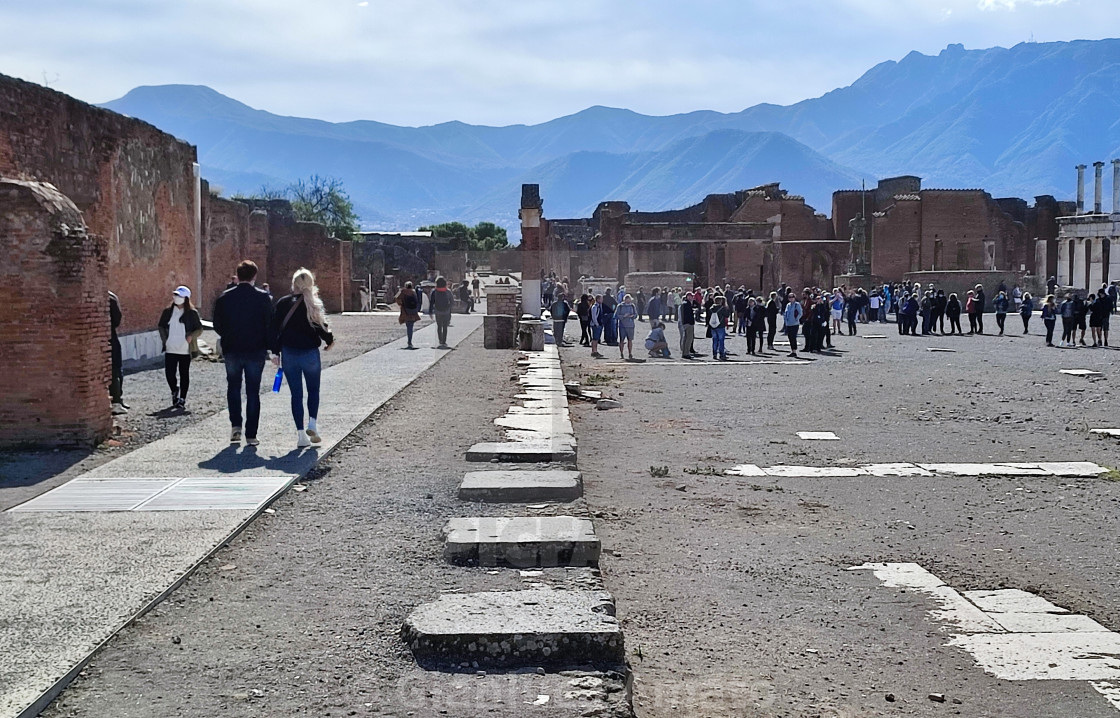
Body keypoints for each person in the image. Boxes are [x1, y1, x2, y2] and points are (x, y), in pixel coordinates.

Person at [272, 268, 335, 448]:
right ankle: (312, 424)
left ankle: (300, 435)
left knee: (296, 395)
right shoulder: (313, 303)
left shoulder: (283, 303)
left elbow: (274, 329)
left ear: (294, 284)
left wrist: (275, 352)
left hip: (289, 353)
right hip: (310, 353)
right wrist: (329, 341)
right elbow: (322, 328)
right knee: (313, 391)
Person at [213, 260, 274, 446]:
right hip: (256, 350)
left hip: (232, 348)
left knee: (233, 387)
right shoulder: (264, 298)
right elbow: (270, 326)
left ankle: (235, 427)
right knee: (253, 391)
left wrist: (228, 337)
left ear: (237, 276)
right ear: (255, 276)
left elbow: (217, 325)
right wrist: (272, 348)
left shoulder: (224, 298)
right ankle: (251, 434)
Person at [158, 285, 203, 410]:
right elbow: (161, 326)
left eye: (180, 296)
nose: (176, 298)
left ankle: (182, 398)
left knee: (184, 374)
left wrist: (191, 336)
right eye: (175, 295)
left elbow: (199, 329)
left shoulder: (192, 313)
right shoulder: (168, 312)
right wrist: (165, 340)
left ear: (186, 298)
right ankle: (174, 390)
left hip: (185, 349)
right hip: (170, 348)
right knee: (169, 373)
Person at [108, 290, 127, 412]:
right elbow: (117, 320)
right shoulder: (111, 298)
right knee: (116, 369)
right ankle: (116, 401)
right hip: (110, 336)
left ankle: (117, 400)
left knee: (116, 370)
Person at [429, 276, 454, 348]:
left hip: (438, 311)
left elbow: (431, 302)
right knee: (445, 326)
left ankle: (440, 340)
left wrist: (431, 312)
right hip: (446, 312)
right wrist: (449, 308)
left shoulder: (434, 291)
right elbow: (452, 301)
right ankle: (444, 341)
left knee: (439, 326)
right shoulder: (448, 291)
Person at [396, 281, 422, 349]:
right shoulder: (413, 292)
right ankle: (410, 341)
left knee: (408, 327)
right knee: (411, 327)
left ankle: (409, 341)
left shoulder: (403, 292)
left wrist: (401, 304)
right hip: (413, 312)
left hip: (406, 311)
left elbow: (397, 298)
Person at [615, 294, 638, 359]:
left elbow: (636, 315)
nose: (628, 301)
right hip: (622, 326)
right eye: (627, 299)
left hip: (630, 326)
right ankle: (621, 353)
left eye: (629, 299)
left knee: (630, 340)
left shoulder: (632, 306)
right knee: (622, 340)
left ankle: (630, 353)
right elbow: (616, 315)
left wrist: (632, 316)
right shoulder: (620, 306)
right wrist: (623, 316)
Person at [782, 291, 803, 358]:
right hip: (788, 324)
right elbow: (786, 313)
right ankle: (792, 350)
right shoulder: (788, 305)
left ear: (794, 298)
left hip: (795, 324)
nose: (791, 298)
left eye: (792, 297)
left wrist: (796, 319)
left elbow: (800, 313)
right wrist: (785, 320)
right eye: (789, 297)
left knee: (793, 337)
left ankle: (794, 351)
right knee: (790, 337)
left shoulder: (797, 304)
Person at [709, 295, 730, 360]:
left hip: (713, 326)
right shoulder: (722, 308)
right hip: (720, 326)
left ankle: (714, 354)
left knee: (715, 340)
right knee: (721, 341)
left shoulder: (711, 308)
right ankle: (721, 354)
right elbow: (727, 315)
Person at [678, 292, 696, 359]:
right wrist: (691, 322)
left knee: (685, 338)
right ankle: (686, 353)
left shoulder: (684, 304)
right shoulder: (687, 304)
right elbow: (688, 315)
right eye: (691, 296)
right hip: (688, 323)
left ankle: (684, 352)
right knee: (689, 339)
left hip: (685, 323)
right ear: (688, 296)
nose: (692, 298)